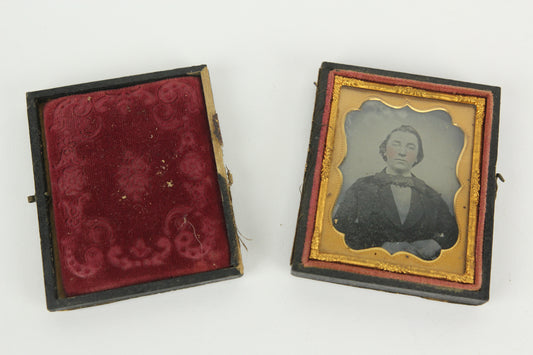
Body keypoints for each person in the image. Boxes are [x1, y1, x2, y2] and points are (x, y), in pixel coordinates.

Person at [333, 125, 458, 260]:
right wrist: (378, 246)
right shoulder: (362, 187)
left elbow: (455, 232)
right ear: (385, 150)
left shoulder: (430, 195)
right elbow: (340, 227)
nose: (402, 152)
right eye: (396, 144)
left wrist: (436, 243)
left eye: (410, 147)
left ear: (417, 157)